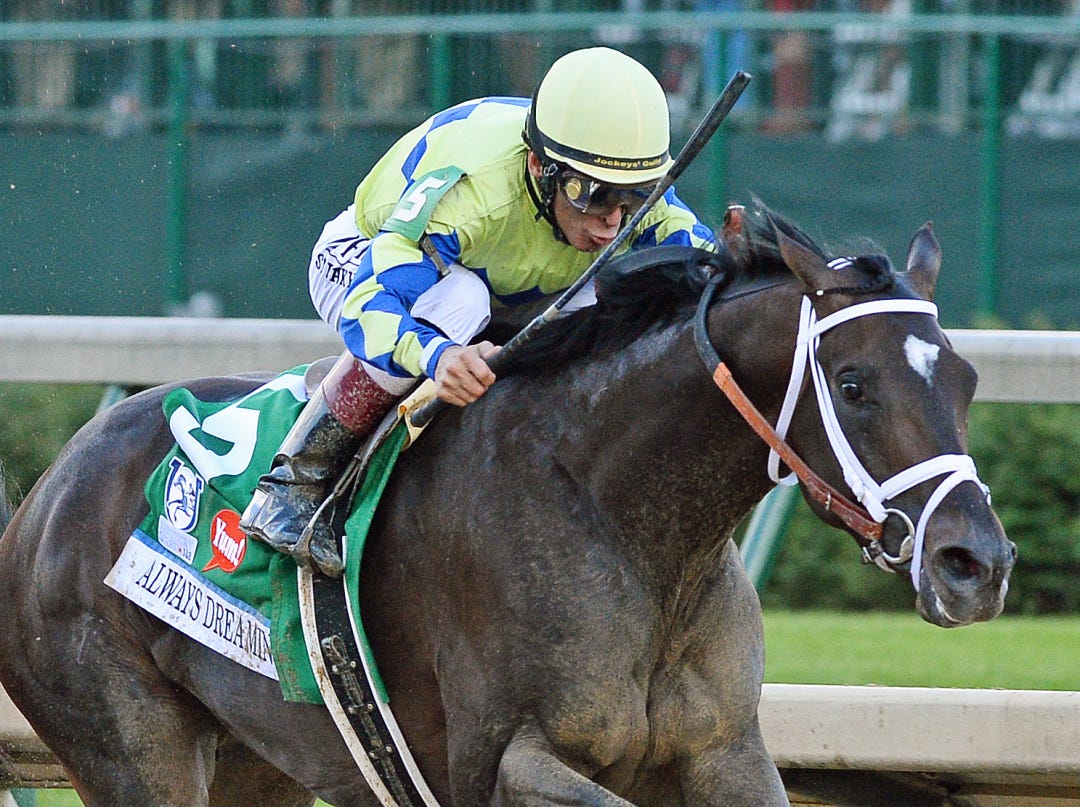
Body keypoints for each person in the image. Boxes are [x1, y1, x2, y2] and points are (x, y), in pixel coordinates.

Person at [239, 46, 717, 577]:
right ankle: (295, 484)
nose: (614, 220)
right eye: (596, 195)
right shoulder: (471, 193)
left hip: (498, 288)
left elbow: (708, 267)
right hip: (364, 260)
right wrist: (438, 357)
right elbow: (371, 305)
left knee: (604, 295)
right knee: (461, 301)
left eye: (636, 196)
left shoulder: (623, 198)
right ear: (539, 168)